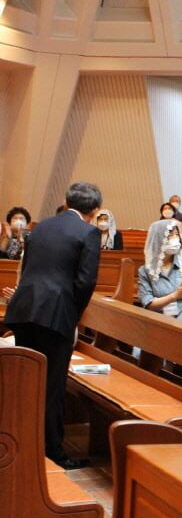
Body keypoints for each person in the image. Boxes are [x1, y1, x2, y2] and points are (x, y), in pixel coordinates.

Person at [4, 182, 103, 468]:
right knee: (53, 384)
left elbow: (28, 269)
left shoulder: (41, 227)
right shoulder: (88, 232)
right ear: (95, 210)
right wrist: (73, 314)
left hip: (24, 308)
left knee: (27, 379)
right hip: (56, 314)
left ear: (66, 201)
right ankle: (53, 452)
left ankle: (21, 440)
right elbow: (86, 281)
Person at [137, 219, 182, 326]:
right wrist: (175, 296)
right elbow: (148, 303)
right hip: (160, 323)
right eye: (170, 235)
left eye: (177, 235)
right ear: (158, 239)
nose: (175, 239)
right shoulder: (146, 270)